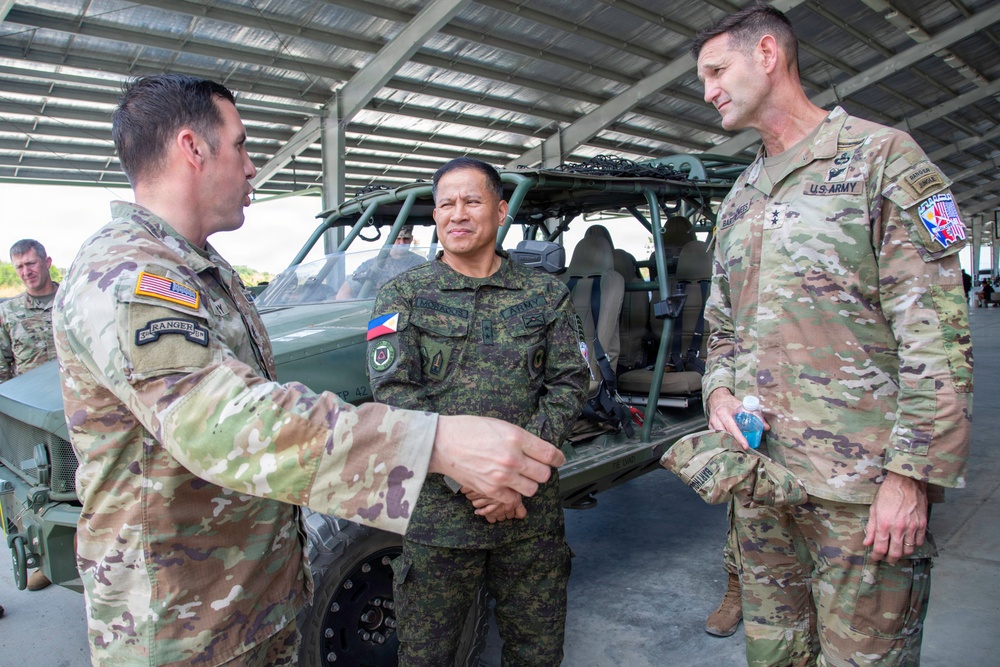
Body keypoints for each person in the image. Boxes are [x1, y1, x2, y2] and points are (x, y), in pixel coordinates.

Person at [52, 74, 566, 667]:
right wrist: (435, 443)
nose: (252, 167)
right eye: (241, 145)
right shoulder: (130, 273)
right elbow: (218, 421)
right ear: (193, 148)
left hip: (243, 604)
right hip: (181, 625)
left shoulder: (199, 267)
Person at [693, 3, 972, 665]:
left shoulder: (882, 159)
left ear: (767, 54)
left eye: (716, 71)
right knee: (774, 655)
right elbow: (721, 326)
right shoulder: (740, 196)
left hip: (862, 493)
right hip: (762, 484)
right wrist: (718, 392)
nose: (707, 92)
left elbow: (937, 337)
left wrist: (910, 478)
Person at [367, 157, 589, 666]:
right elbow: (394, 392)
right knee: (426, 656)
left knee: (536, 652)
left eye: (472, 201)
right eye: (446, 204)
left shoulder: (546, 295)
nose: (458, 214)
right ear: (436, 216)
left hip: (528, 514)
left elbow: (569, 382)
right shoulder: (402, 295)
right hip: (438, 521)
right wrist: (470, 478)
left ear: (501, 210)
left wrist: (513, 477)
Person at [0, 238, 59, 592]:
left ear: (47, 262)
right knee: (33, 492)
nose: (26, 272)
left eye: (31, 264)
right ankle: (44, 561)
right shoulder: (8, 313)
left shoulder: (72, 301)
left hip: (74, 413)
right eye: (19, 267)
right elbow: (3, 368)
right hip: (30, 420)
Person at [336, 225, 425, 299]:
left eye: (406, 238)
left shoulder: (420, 263)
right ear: (390, 239)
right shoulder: (373, 265)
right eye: (398, 238)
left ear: (411, 239)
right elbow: (343, 294)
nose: (402, 243)